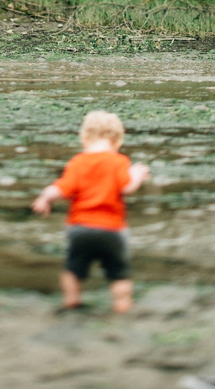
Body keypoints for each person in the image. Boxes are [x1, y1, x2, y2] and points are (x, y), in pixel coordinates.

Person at [31, 110, 151, 314]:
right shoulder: (119, 161)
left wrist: (44, 198)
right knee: (119, 274)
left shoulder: (78, 162)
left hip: (80, 229)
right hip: (112, 230)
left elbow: (62, 188)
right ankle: (122, 306)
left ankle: (72, 300)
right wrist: (137, 175)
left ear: (85, 139)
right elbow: (126, 187)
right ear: (116, 142)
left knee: (73, 270)